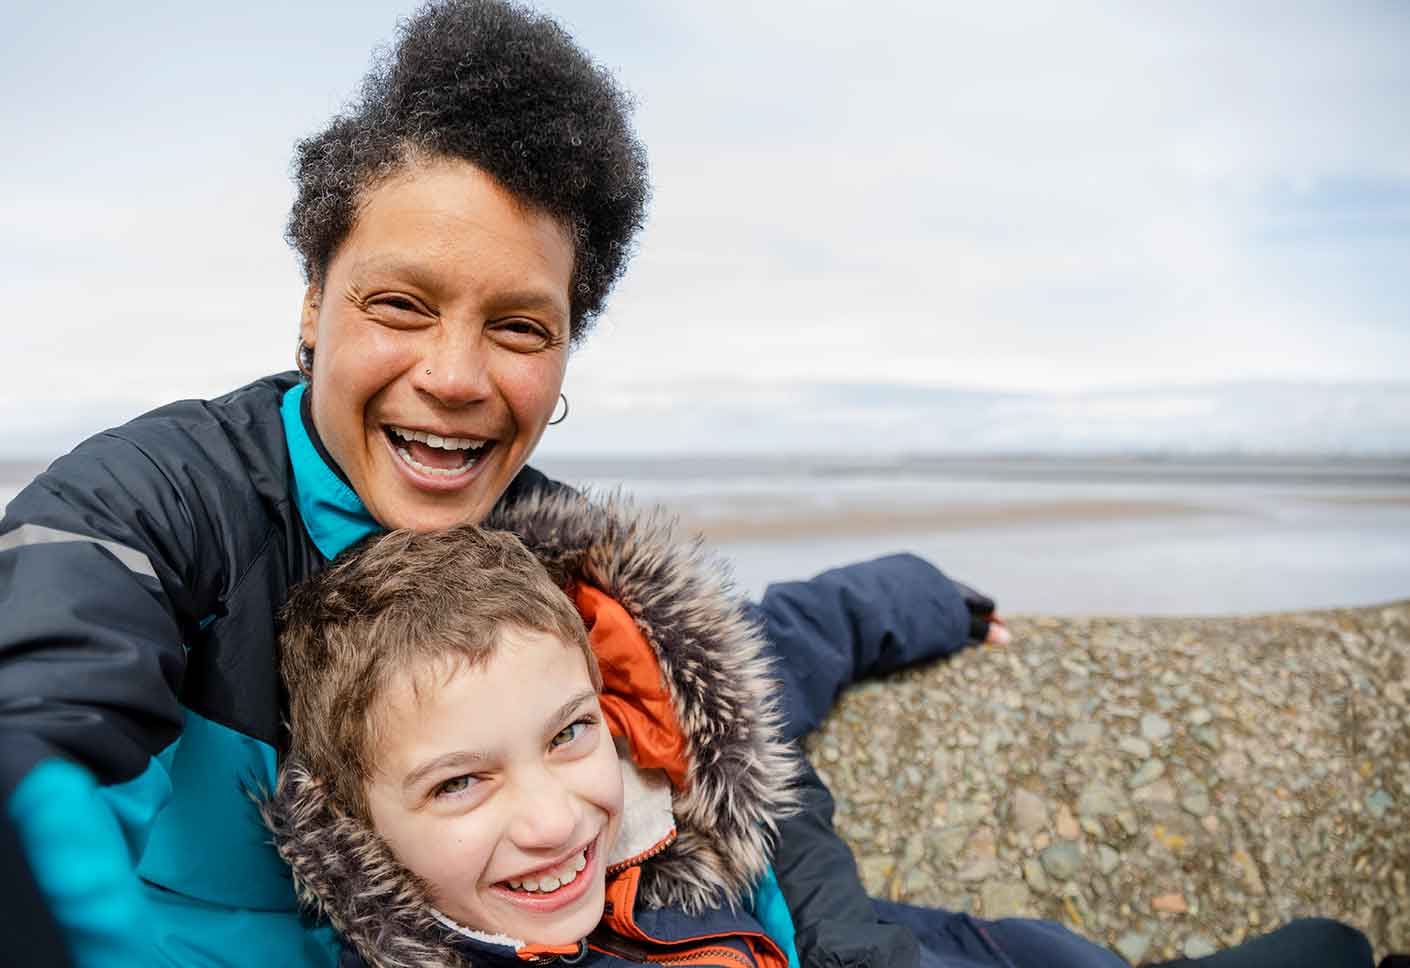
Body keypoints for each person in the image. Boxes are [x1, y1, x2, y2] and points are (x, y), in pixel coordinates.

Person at [0, 2, 998, 965]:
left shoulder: (559, 552)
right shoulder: (159, 506)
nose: (456, 376)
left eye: (521, 325)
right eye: (400, 303)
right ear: (314, 302)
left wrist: (924, 598)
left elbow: (749, 693)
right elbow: (44, 708)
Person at [265, 512, 1378, 968]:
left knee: (1331, 942)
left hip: (938, 949)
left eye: (569, 733)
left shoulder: (663, 747)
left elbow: (780, 642)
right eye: (460, 780)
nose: (556, 815)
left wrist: (929, 594)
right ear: (361, 822)